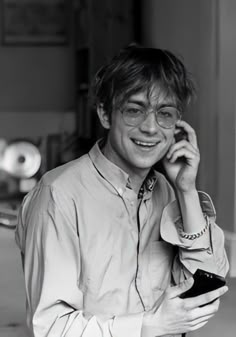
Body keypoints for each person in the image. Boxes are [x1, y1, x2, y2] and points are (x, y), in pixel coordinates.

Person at [15, 45, 229, 337]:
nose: (151, 128)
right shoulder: (58, 196)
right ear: (105, 114)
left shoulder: (167, 191)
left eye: (165, 114)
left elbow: (204, 293)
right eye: (134, 110)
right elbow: (50, 328)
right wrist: (147, 326)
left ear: (177, 125)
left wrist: (187, 191)